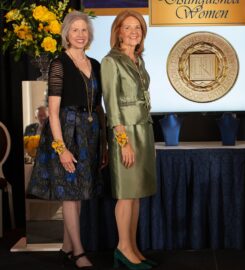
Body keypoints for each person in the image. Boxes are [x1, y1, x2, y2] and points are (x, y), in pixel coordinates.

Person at [27, 10, 107, 269]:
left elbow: (98, 106)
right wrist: (60, 149)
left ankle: (66, 247)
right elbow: (52, 111)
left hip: (90, 134)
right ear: (66, 35)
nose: (80, 35)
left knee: (79, 193)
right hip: (67, 132)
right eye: (75, 30)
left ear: (90, 34)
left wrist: (103, 141)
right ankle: (78, 253)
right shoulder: (59, 63)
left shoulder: (95, 64)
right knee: (71, 194)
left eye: (84, 30)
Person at [101, 10, 157, 270]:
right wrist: (123, 142)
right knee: (126, 195)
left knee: (136, 195)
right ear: (118, 31)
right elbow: (112, 107)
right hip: (126, 133)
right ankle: (123, 248)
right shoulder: (111, 61)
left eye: (138, 27)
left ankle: (131, 246)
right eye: (128, 27)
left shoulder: (138, 59)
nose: (134, 31)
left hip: (143, 131)